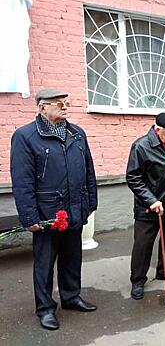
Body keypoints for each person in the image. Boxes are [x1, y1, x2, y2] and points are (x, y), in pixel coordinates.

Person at [10, 88, 98, 330]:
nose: (64, 107)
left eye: (66, 103)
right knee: (44, 263)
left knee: (72, 258)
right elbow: (22, 181)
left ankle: (71, 297)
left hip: (75, 208)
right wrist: (29, 216)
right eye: (58, 104)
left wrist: (91, 202)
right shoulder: (25, 136)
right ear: (42, 108)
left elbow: (89, 169)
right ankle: (45, 308)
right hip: (46, 214)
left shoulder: (77, 133)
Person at [126, 113, 165, 300]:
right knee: (143, 246)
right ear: (157, 129)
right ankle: (137, 280)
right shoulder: (141, 146)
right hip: (148, 208)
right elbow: (133, 178)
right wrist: (151, 201)